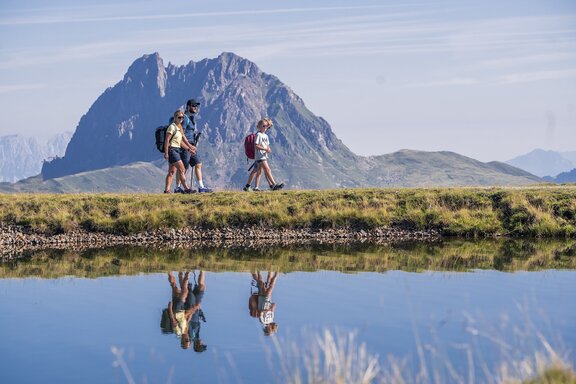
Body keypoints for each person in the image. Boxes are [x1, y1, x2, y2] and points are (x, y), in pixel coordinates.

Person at [174, 99, 213, 193]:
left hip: (191, 146)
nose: (195, 108)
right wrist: (187, 146)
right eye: (193, 106)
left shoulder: (191, 118)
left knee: (198, 163)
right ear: (188, 107)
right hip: (185, 147)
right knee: (184, 167)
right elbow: (181, 133)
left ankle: (201, 187)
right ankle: (177, 188)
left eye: (196, 106)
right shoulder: (185, 118)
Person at [243, 118, 284, 192]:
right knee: (267, 169)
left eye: (266, 126)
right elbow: (256, 145)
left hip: (263, 156)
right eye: (263, 126)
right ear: (259, 126)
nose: (265, 128)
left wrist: (268, 150)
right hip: (260, 156)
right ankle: (274, 185)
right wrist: (265, 149)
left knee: (257, 171)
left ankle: (249, 187)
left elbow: (267, 145)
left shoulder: (266, 136)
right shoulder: (258, 135)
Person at [164, 110, 194, 194]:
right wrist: (166, 153)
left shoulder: (179, 127)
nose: (181, 119)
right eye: (179, 117)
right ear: (175, 118)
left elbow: (180, 142)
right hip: (172, 150)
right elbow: (167, 140)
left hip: (177, 149)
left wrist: (189, 148)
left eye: (182, 117)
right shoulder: (172, 127)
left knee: (171, 172)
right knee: (182, 169)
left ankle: (167, 190)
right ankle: (186, 189)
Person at [248, 271, 279, 336]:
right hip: (267, 299)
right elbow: (273, 307)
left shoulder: (263, 321)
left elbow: (261, 312)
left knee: (262, 282)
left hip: (262, 298)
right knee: (270, 286)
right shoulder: (271, 319)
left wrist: (268, 310)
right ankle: (276, 272)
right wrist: (271, 308)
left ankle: (256, 270)